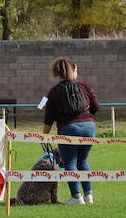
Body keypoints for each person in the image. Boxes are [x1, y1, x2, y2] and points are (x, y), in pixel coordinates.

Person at [42, 57, 100, 206]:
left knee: (70, 162)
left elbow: (49, 117)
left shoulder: (54, 91)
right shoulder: (84, 86)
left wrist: (44, 134)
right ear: (72, 70)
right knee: (83, 161)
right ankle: (89, 196)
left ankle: (76, 197)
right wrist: (86, 118)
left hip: (68, 128)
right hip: (88, 127)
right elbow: (96, 105)